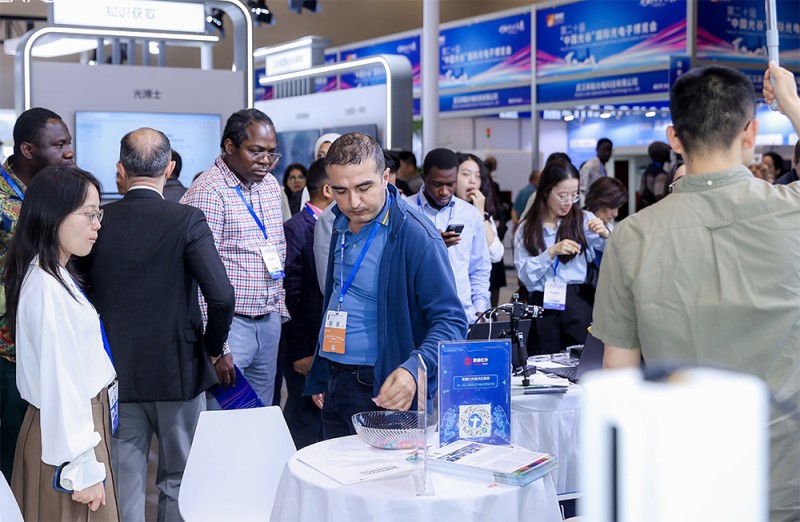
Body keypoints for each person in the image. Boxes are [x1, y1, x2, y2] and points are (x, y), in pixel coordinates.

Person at [593, 62, 800, 522]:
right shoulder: (792, 211)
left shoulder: (631, 237)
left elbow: (617, 376)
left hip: (681, 481)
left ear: (674, 137)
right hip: (787, 480)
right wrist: (792, 104)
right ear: (750, 132)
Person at [83, 128, 235, 522]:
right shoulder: (187, 219)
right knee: (180, 480)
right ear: (169, 168)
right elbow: (221, 296)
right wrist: (213, 348)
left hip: (113, 370)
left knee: (123, 479)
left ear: (120, 170)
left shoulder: (98, 222)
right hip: (178, 369)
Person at [304, 133, 467, 439]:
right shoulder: (337, 222)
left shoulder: (416, 235)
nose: (353, 202)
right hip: (334, 381)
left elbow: (452, 321)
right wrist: (323, 371)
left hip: (384, 387)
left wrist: (414, 369)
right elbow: (338, 299)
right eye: (340, 191)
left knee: (381, 471)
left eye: (363, 188)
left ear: (386, 177)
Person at [5, 166, 118, 520]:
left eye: (98, 214)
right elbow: (61, 383)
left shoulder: (53, 273)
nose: (97, 225)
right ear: (53, 217)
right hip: (69, 441)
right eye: (88, 214)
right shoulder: (46, 288)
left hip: (73, 430)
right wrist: (83, 468)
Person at [182, 109, 288, 408]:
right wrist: (218, 346)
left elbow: (277, 249)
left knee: (260, 415)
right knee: (224, 418)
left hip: (268, 320)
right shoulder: (208, 191)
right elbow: (199, 276)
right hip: (231, 328)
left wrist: (277, 310)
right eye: (256, 151)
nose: (265, 160)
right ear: (230, 146)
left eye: (271, 153)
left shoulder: (270, 186)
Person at [0, 107, 74, 483]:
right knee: (11, 446)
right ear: (28, 150)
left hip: (54, 337)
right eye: (58, 145)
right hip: (9, 347)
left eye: (68, 143)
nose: (68, 152)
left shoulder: (61, 192)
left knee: (45, 449)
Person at [514, 159, 609, 355]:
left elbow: (617, 255)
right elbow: (524, 275)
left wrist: (606, 234)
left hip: (578, 300)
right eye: (562, 196)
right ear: (546, 191)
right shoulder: (527, 228)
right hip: (541, 303)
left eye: (574, 195)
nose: (568, 202)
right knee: (542, 359)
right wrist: (550, 253)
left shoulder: (585, 220)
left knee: (580, 360)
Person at [280, 159, 332, 449]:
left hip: (328, 344)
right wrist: (301, 351)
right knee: (303, 422)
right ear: (327, 190)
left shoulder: (340, 227)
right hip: (304, 347)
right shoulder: (296, 229)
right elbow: (291, 295)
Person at [410, 148, 491, 322]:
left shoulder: (469, 214)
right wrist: (431, 245)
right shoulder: (405, 210)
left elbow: (479, 268)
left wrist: (479, 310)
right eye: (437, 184)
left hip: (462, 314)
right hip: (418, 314)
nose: (444, 192)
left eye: (451, 184)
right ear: (423, 177)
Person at [455, 152, 506, 307]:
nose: (472, 180)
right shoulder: (443, 211)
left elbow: (496, 254)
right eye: (466, 174)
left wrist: (480, 213)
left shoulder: (482, 213)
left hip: (477, 295)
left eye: (477, 176)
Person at [584, 176, 627, 267]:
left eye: (618, 208)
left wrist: (607, 235)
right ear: (599, 201)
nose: (615, 214)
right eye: (612, 207)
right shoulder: (582, 222)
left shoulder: (609, 227)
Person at [638, 141, 670, 209]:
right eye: (667, 151)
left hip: (645, 210)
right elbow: (659, 198)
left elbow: (641, 193)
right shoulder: (660, 174)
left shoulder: (647, 171)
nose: (669, 153)